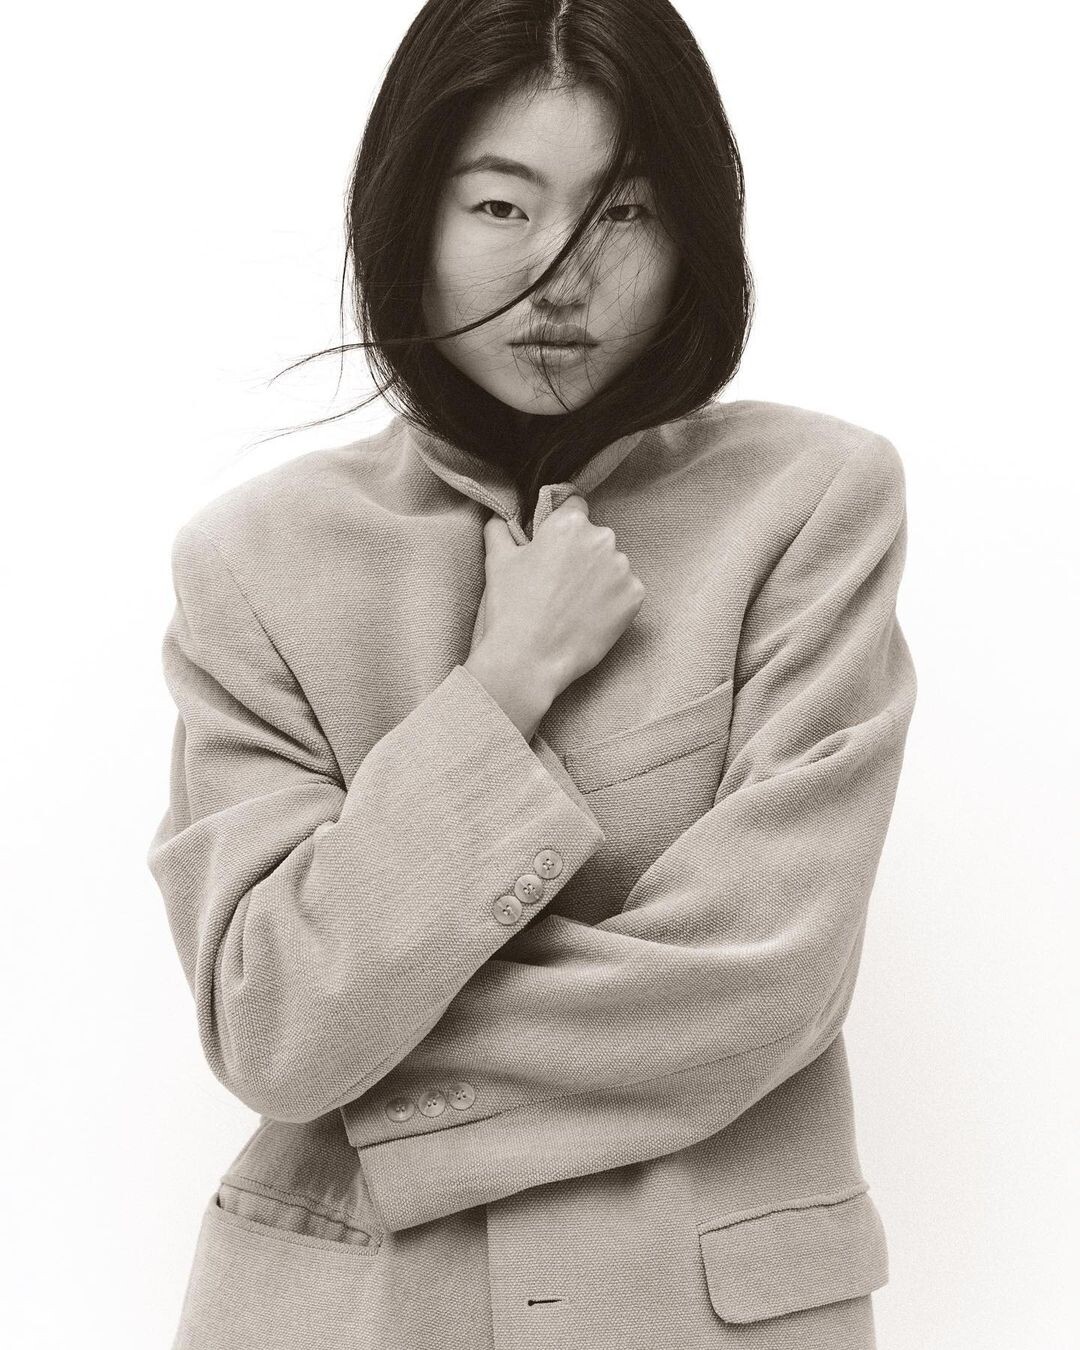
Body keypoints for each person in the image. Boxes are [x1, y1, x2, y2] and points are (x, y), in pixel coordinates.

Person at [146, 1, 917, 1347]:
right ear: (411, 217)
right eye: (501, 206)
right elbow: (269, 1024)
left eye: (622, 212)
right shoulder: (256, 563)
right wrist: (497, 691)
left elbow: (764, 979)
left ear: (694, 235)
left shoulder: (810, 505)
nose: (560, 276)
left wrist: (369, 1039)